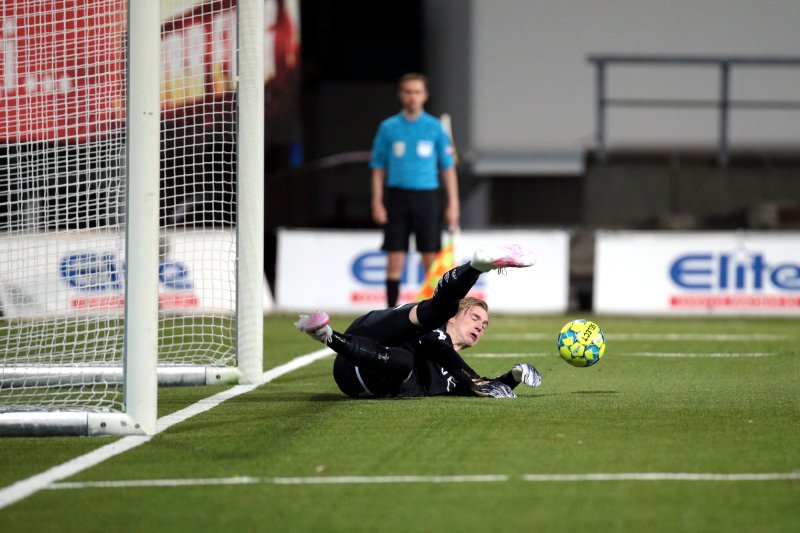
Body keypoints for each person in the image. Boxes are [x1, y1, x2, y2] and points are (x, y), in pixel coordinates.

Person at [295, 244, 542, 399]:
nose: (480, 326)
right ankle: (475, 266)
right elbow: (460, 368)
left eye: (484, 325)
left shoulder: (455, 374)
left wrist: (515, 375)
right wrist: (471, 378)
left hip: (358, 378)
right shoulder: (439, 338)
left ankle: (325, 334)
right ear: (454, 318)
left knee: (405, 360)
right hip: (370, 332)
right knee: (431, 318)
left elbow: (481, 387)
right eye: (475, 317)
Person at [370, 72, 460, 307]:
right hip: (397, 196)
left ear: (425, 96)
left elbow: (448, 168)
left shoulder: (435, 128)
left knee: (430, 256)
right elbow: (378, 167)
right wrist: (377, 201)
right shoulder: (388, 128)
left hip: (427, 196)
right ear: (401, 95)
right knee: (395, 256)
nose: (412, 97)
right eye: (408, 92)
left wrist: (453, 204)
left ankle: (434, 309)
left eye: (417, 92)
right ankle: (390, 311)